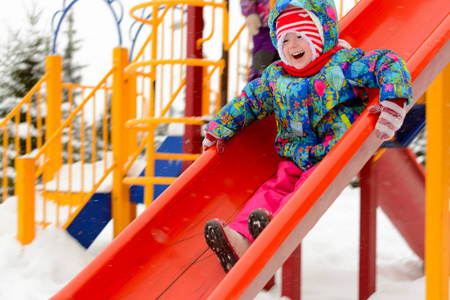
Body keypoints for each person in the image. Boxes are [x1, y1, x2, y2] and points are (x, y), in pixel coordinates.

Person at [202, 0, 412, 273]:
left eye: (300, 36)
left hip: (332, 155)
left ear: (319, 36)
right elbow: (249, 102)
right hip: (295, 156)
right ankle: (240, 240)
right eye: (285, 39)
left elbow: (387, 63)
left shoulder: (342, 66)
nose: (292, 45)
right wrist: (219, 127)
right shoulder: (276, 78)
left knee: (303, 192)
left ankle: (273, 227)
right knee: (272, 190)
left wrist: (393, 100)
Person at [241, 0, 280, 82]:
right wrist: (250, 12)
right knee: (262, 62)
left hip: (288, 20)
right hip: (263, 25)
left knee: (287, 62)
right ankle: (257, 88)